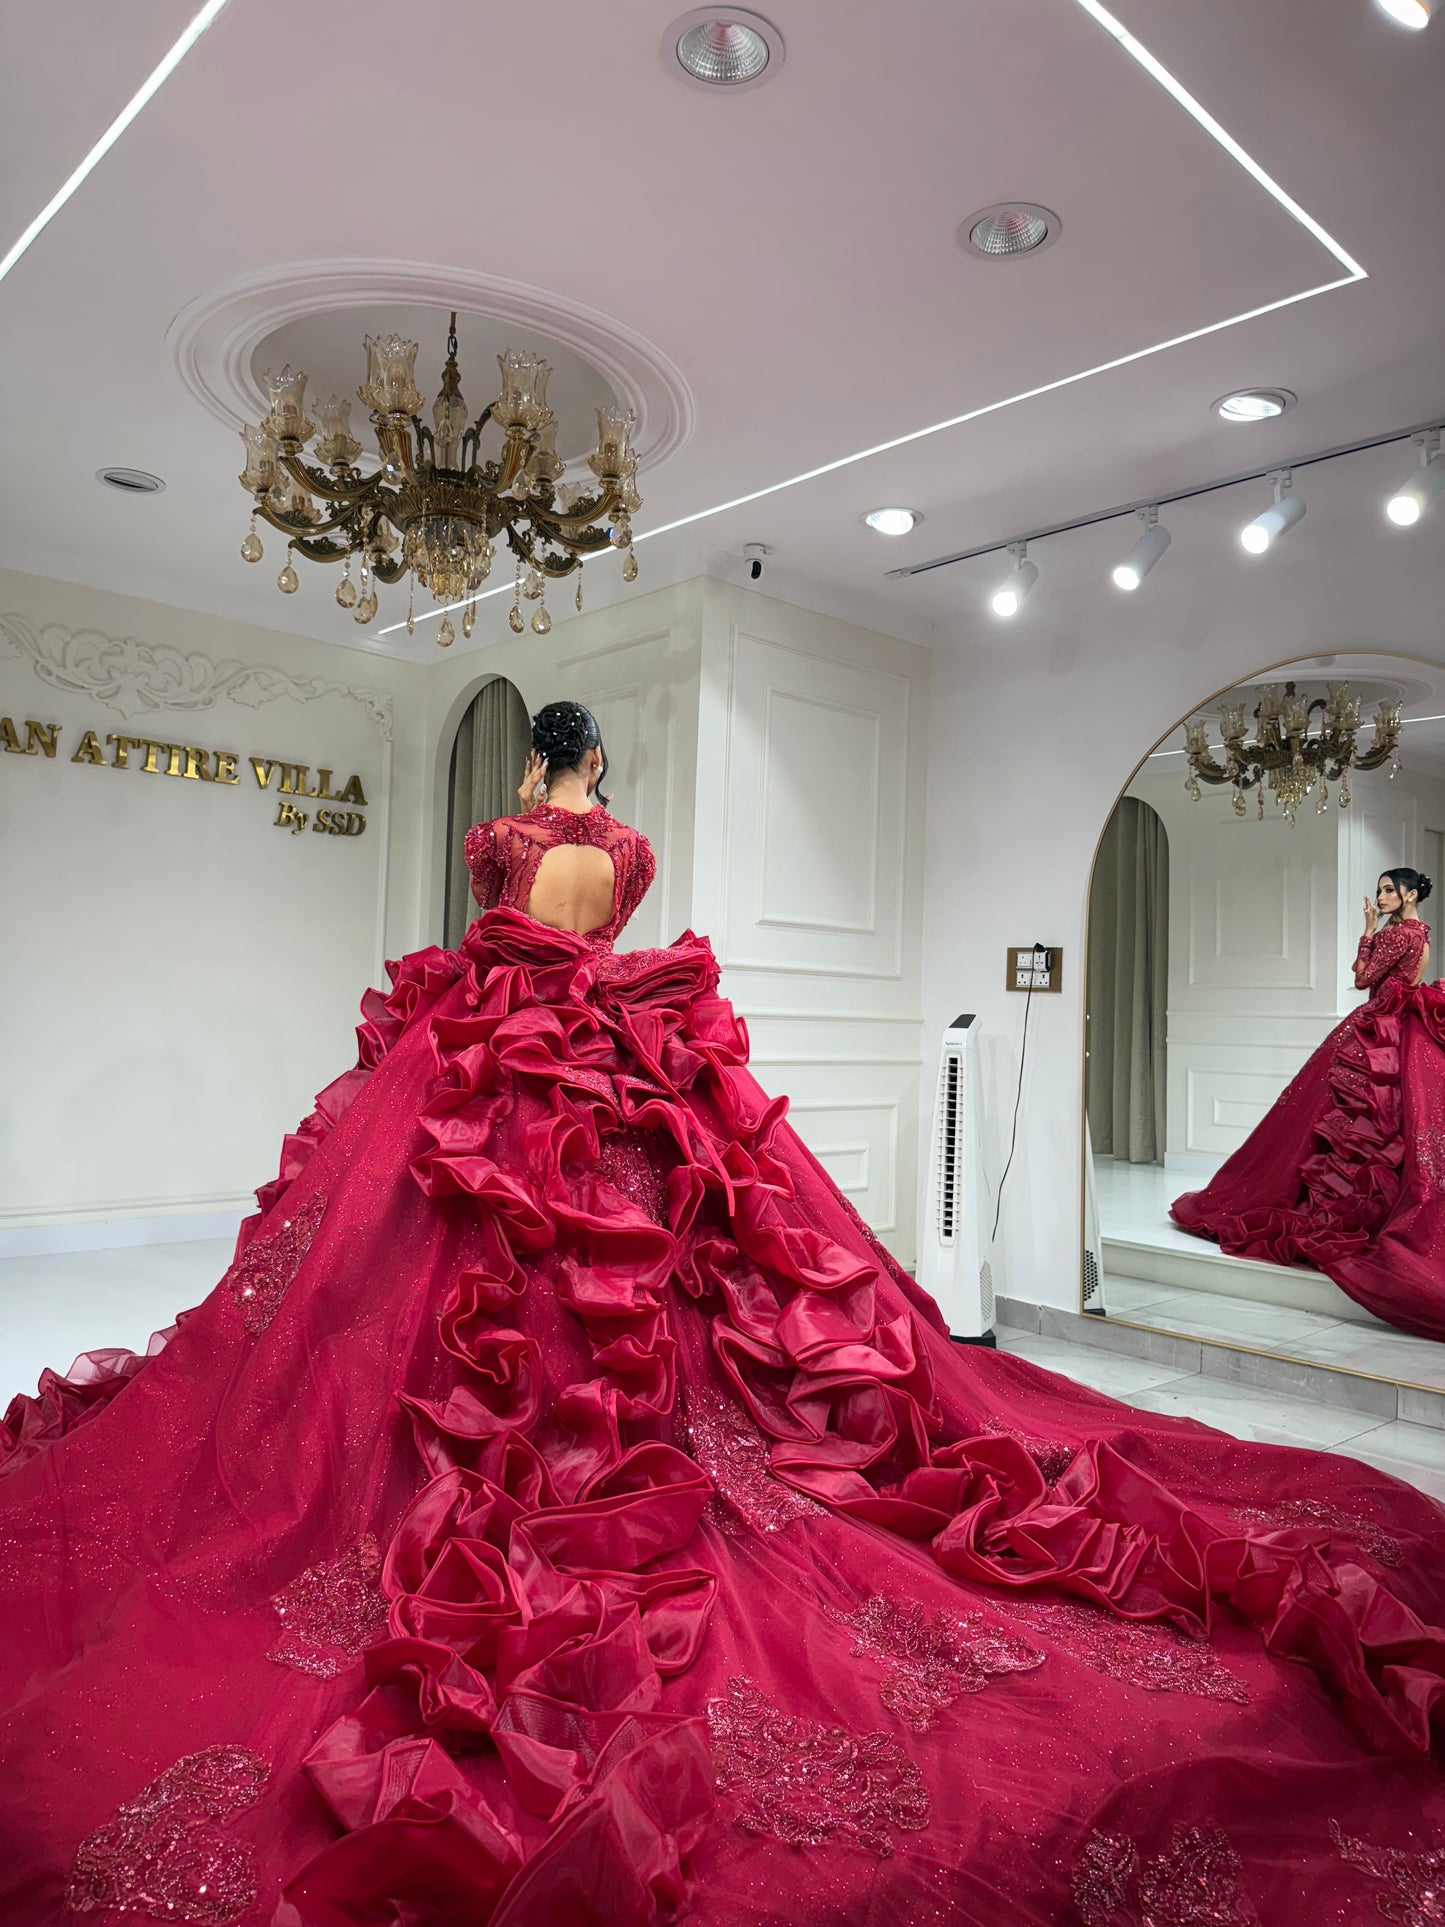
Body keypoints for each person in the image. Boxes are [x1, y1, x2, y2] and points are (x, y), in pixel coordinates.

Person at [4, 708, 1445, 1927]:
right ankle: (644, 1444)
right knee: (672, 1259)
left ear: (529, 774)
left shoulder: (506, 840)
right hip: (629, 1050)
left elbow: (498, 927)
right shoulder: (626, 851)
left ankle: (517, 1450)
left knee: (449, 1265)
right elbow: (593, 915)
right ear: (601, 777)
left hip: (510, 1044)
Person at [1173, 866, 1445, 1339]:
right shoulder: (1420, 933)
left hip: (1376, 1028)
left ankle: (1340, 1206)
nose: (1379, 898)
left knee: (1352, 1117)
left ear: (1406, 894)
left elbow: (1364, 979)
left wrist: (1365, 935)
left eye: (1386, 890)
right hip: (1402, 1032)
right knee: (1389, 1122)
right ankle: (1376, 1206)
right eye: (1379, 891)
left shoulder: (1396, 934)